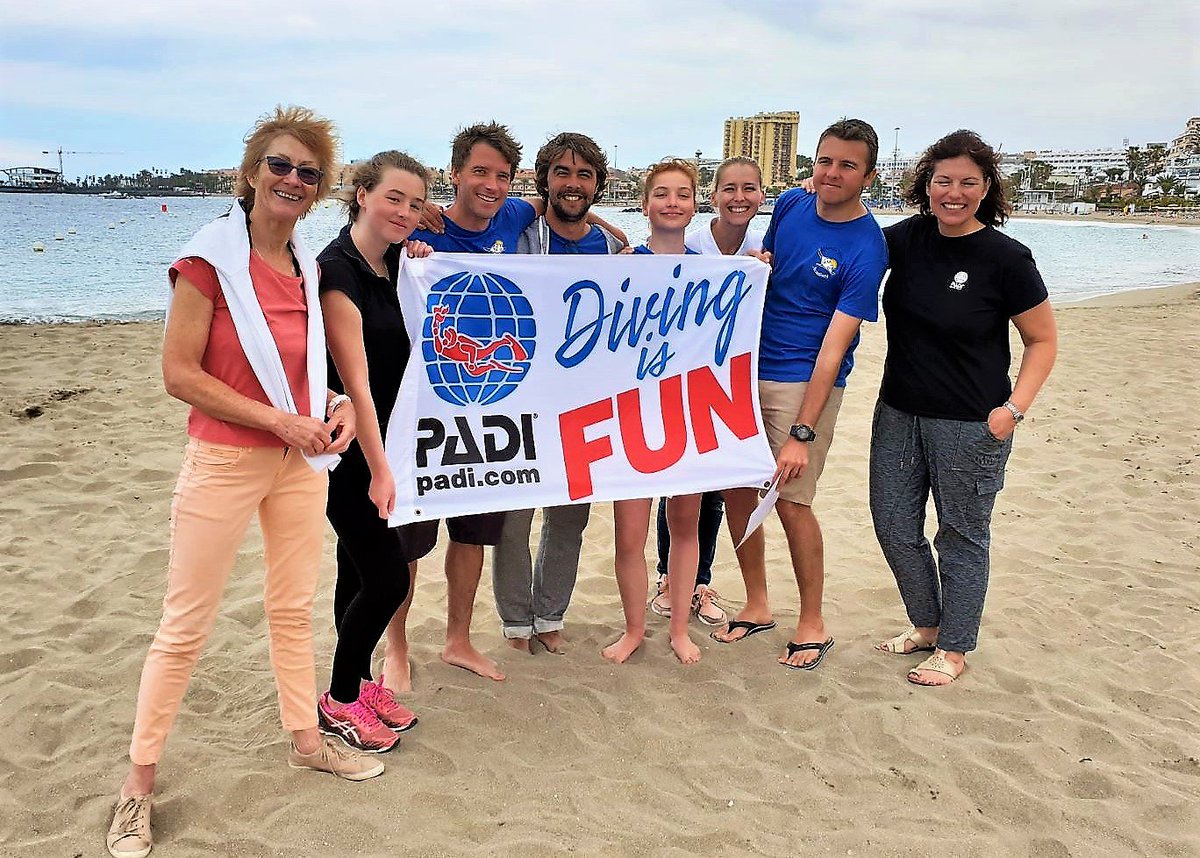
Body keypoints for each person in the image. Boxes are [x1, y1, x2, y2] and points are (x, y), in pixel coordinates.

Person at [106, 106, 373, 858]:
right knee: (185, 625)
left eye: (308, 173)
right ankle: (136, 787)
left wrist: (337, 405)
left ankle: (306, 742)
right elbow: (179, 374)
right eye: (279, 165)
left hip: (299, 462)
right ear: (251, 173)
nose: (293, 180)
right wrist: (280, 421)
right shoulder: (208, 261)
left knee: (291, 609)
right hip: (225, 459)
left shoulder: (306, 267)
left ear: (319, 190)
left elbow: (298, 374)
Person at [870, 129, 1057, 686]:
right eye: (943, 180)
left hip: (973, 423)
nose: (954, 193)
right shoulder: (905, 239)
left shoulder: (1006, 258)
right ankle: (927, 626)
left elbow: (1042, 340)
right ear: (925, 185)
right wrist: (807, 202)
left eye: (968, 182)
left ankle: (954, 647)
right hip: (898, 413)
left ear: (987, 187)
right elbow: (846, 244)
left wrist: (1013, 410)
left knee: (961, 535)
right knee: (894, 525)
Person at [712, 120, 888, 672]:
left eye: (848, 165)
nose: (832, 173)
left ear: (868, 175)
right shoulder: (790, 204)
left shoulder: (868, 247)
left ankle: (812, 621)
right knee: (739, 490)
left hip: (803, 383)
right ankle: (757, 603)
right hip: (744, 367)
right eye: (825, 161)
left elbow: (834, 350)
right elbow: (759, 277)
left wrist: (802, 434)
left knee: (792, 501)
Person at [316, 151, 436, 752]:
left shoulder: (394, 264)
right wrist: (380, 469)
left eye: (416, 204)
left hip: (391, 441)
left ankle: (360, 684)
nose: (406, 212)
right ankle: (339, 699)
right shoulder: (337, 270)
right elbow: (355, 384)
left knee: (356, 571)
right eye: (394, 198)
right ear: (361, 194)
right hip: (350, 448)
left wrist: (418, 258)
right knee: (388, 579)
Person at [492, 132, 624, 655]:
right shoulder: (520, 236)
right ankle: (515, 623)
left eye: (584, 175)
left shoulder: (611, 248)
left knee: (569, 519)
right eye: (562, 173)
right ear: (545, 180)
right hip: (519, 399)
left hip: (582, 404)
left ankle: (550, 616)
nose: (573, 184)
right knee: (513, 520)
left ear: (598, 184)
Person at [650, 156, 767, 628]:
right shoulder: (695, 245)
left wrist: (758, 269)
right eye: (729, 189)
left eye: (749, 188)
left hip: (729, 379)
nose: (739, 197)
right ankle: (668, 577)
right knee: (674, 485)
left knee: (713, 489)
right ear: (714, 197)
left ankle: (700, 581)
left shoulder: (764, 244)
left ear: (761, 195)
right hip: (675, 379)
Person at [603, 159, 707, 665]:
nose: (672, 203)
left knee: (684, 526)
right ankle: (634, 629)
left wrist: (757, 266)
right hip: (631, 413)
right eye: (661, 193)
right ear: (644, 204)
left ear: (694, 204)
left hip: (690, 411)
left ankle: (680, 628)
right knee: (630, 534)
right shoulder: (624, 264)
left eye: (683, 194)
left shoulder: (714, 270)